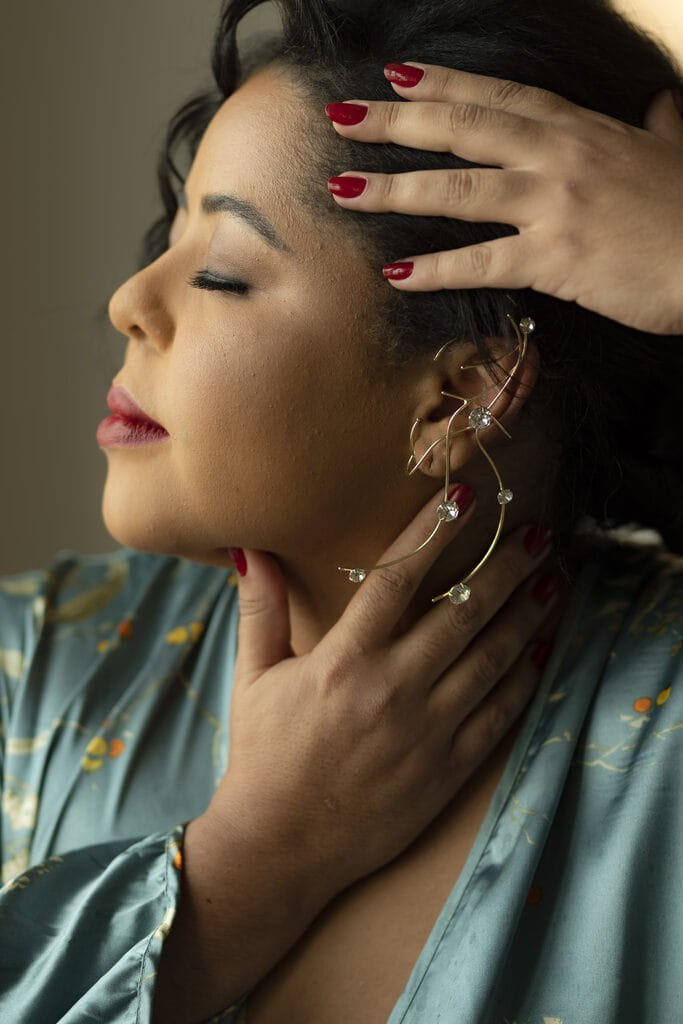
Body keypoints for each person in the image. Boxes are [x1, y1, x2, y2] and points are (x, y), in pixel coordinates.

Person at [0, 0, 682, 1022]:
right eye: (168, 237)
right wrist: (251, 866)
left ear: (460, 397)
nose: (128, 301)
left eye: (220, 272)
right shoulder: (36, 669)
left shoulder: (660, 739)